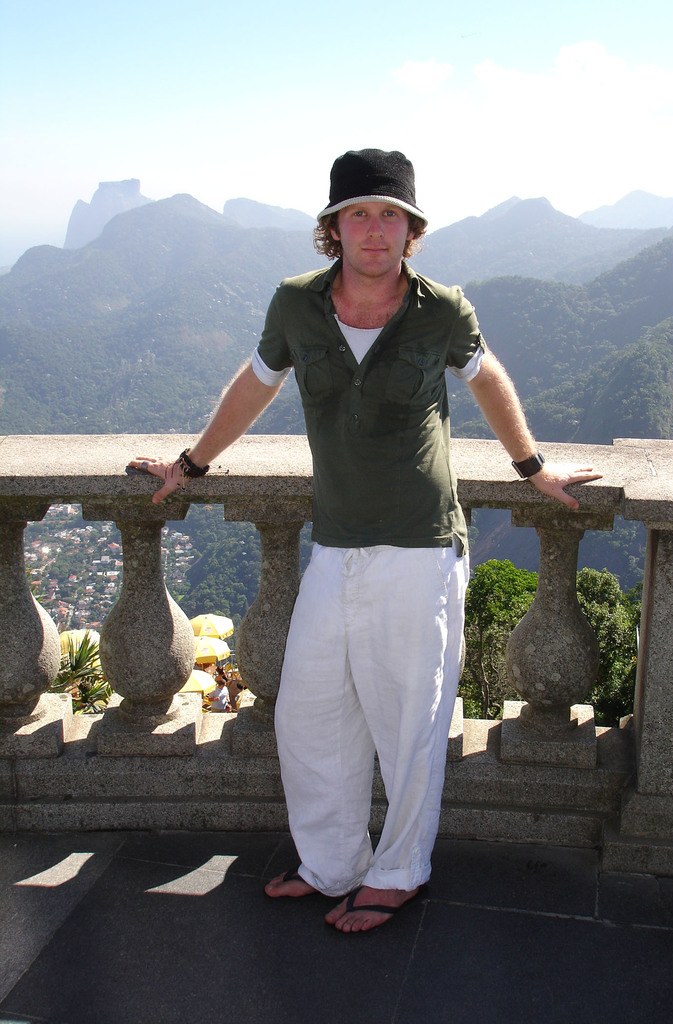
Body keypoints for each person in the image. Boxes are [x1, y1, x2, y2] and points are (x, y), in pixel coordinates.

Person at [130, 148, 601, 933]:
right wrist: (192, 462)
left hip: (420, 544)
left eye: (390, 215)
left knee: (408, 719)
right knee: (310, 713)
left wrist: (531, 467)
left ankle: (398, 873)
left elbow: (487, 377)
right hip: (337, 541)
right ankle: (333, 863)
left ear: (411, 230)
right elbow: (254, 383)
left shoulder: (440, 310)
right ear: (334, 228)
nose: (375, 230)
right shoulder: (297, 305)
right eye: (359, 214)